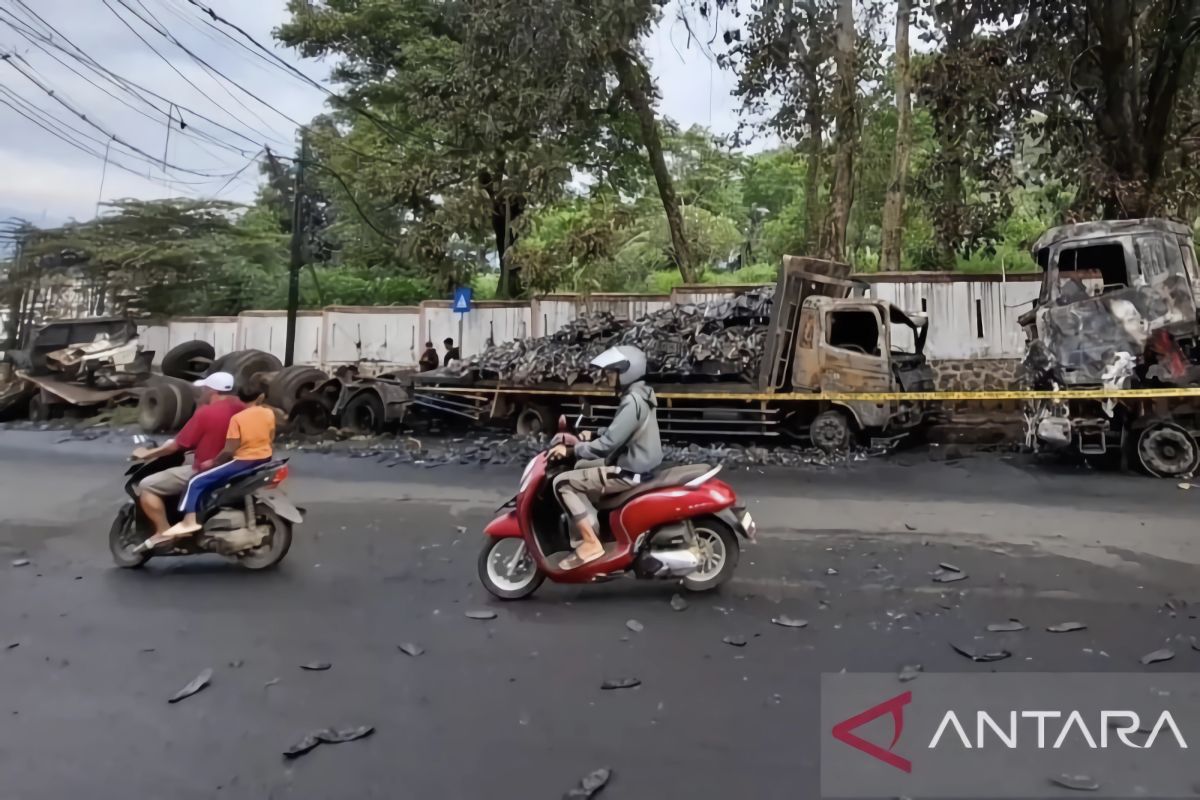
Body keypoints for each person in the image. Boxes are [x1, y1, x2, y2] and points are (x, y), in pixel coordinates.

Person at [548, 345, 662, 569]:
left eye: (612, 372)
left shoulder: (632, 401)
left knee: (562, 483)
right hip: (638, 462)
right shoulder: (642, 394)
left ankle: (590, 542)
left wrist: (570, 450)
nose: (607, 377)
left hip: (629, 470)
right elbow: (622, 432)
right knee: (581, 466)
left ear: (626, 372)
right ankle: (595, 525)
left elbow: (607, 445)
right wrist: (593, 434)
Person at [145, 392, 277, 545]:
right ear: (260, 397)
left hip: (244, 461)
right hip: (264, 458)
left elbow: (229, 449)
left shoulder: (237, 418)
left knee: (195, 481)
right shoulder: (268, 413)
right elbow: (271, 437)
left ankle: (189, 521)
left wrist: (213, 462)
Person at [132, 372, 245, 540]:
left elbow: (175, 446)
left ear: (212, 391)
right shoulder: (244, 409)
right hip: (238, 465)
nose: (201, 393)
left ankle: (163, 532)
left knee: (147, 485)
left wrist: (147, 454)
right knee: (188, 460)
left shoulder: (206, 413)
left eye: (204, 389)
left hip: (209, 468)